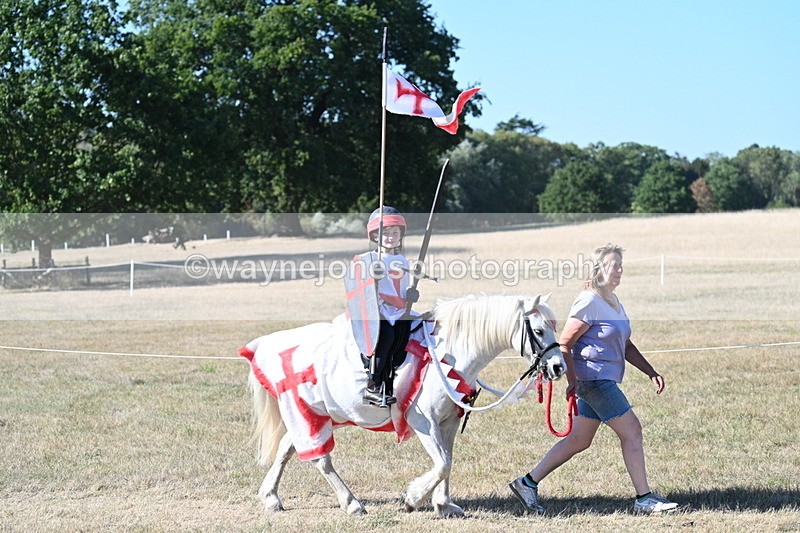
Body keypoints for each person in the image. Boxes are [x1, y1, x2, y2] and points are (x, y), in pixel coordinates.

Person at [509, 243, 679, 515]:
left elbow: (626, 345)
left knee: (579, 440)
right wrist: (572, 381)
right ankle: (644, 498)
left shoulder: (612, 301)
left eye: (621, 265)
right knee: (632, 431)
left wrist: (651, 371)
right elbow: (565, 344)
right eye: (614, 266)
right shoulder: (588, 301)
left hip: (600, 380)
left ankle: (526, 483)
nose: (620, 270)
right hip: (594, 381)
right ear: (599, 270)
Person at [359, 206, 418, 407]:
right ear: (375, 235)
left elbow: (401, 289)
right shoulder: (371, 259)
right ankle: (372, 386)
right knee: (386, 338)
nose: (391, 237)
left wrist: (410, 295)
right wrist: (372, 278)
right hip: (379, 311)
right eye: (386, 233)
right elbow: (365, 291)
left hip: (399, 312)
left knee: (405, 338)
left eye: (395, 233)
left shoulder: (402, 260)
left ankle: (392, 385)